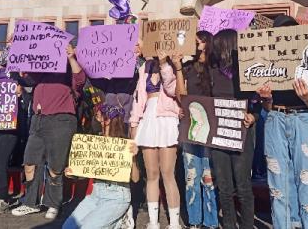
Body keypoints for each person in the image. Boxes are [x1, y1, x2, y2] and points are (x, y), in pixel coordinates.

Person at [257, 15, 308, 229]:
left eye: (291, 30)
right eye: (282, 31)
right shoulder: (266, 62)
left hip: (303, 119)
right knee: (278, 185)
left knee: (307, 182)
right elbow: (267, 107)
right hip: (275, 118)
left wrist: (305, 97)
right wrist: (266, 99)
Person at [11, 44, 86, 219]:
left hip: (61, 120)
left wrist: (71, 57)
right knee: (30, 162)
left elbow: (81, 79)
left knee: (56, 166)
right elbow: (27, 77)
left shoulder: (69, 70)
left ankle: (54, 204)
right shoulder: (42, 70)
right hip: (38, 119)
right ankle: (31, 202)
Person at [62, 94, 138, 229]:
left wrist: (133, 158)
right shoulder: (94, 141)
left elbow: (136, 179)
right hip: (96, 194)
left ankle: (119, 221)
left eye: (98, 116)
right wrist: (73, 172)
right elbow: (87, 170)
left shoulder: (124, 145)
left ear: (106, 120)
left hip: (117, 197)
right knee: (67, 227)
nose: (96, 119)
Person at [209, 29, 258, 229]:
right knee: (224, 187)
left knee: (243, 186)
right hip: (219, 132)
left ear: (228, 47)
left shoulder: (246, 71)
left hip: (242, 132)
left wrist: (253, 116)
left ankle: (247, 225)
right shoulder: (212, 70)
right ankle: (229, 224)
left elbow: (259, 102)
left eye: (219, 45)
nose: (215, 49)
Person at [130, 51, 181, 229]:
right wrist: (134, 126)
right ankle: (153, 222)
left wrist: (165, 64)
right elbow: (138, 99)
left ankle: (174, 223)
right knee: (151, 175)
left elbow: (173, 89)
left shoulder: (174, 64)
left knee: (168, 174)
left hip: (167, 119)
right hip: (148, 120)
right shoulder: (145, 67)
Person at [174, 31, 219, 229]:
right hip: (190, 127)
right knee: (191, 175)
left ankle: (210, 221)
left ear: (207, 43)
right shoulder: (187, 67)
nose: (195, 44)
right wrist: (177, 69)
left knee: (208, 177)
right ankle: (194, 221)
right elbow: (180, 96)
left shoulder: (215, 67)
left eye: (199, 41)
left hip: (211, 128)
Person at [0, 47, 18, 213]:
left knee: (0, 161)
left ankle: (1, 198)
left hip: (9, 127)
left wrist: (22, 90)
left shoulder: (22, 77)